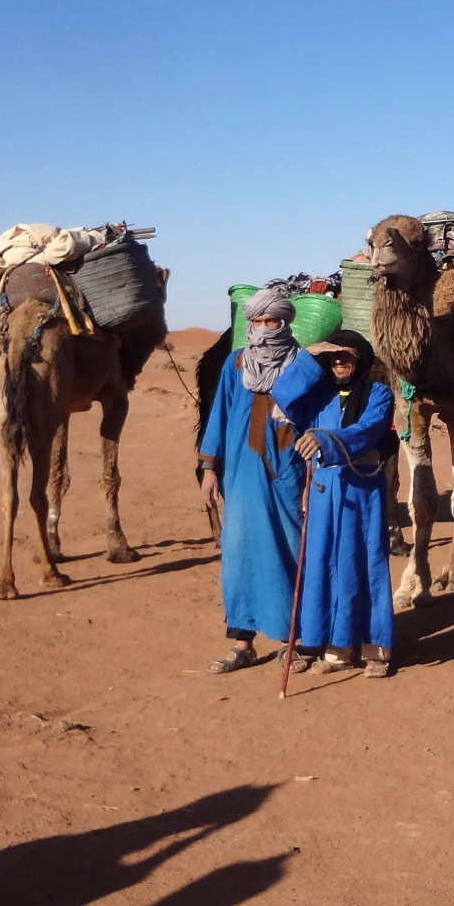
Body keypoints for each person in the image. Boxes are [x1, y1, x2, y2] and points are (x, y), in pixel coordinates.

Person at [197, 288, 324, 673]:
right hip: (239, 470)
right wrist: (207, 468)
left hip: (288, 470)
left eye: (273, 322)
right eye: (258, 322)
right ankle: (243, 641)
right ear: (249, 324)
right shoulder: (236, 364)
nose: (265, 329)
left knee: (289, 548)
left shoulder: (303, 365)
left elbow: (319, 418)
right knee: (239, 552)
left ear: (285, 324)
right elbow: (218, 413)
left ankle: (293, 639)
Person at [291, 330, 398, 678]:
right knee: (325, 564)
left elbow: (370, 428)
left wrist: (325, 438)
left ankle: (375, 650)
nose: (339, 363)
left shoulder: (378, 393)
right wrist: (308, 357)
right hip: (324, 489)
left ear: (361, 359)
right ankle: (337, 649)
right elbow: (283, 396)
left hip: (362, 486)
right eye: (333, 358)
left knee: (365, 561)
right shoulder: (317, 395)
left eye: (347, 356)